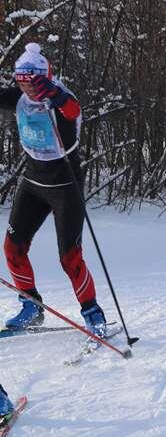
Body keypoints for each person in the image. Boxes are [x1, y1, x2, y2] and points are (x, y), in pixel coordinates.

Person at [0, 43, 109, 337]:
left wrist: (55, 95)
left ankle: (92, 313)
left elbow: (73, 111)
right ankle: (32, 307)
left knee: (69, 256)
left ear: (44, 78)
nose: (28, 90)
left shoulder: (61, 98)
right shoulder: (20, 98)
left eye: (33, 83)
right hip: (34, 183)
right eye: (22, 83)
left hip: (65, 185)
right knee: (13, 248)